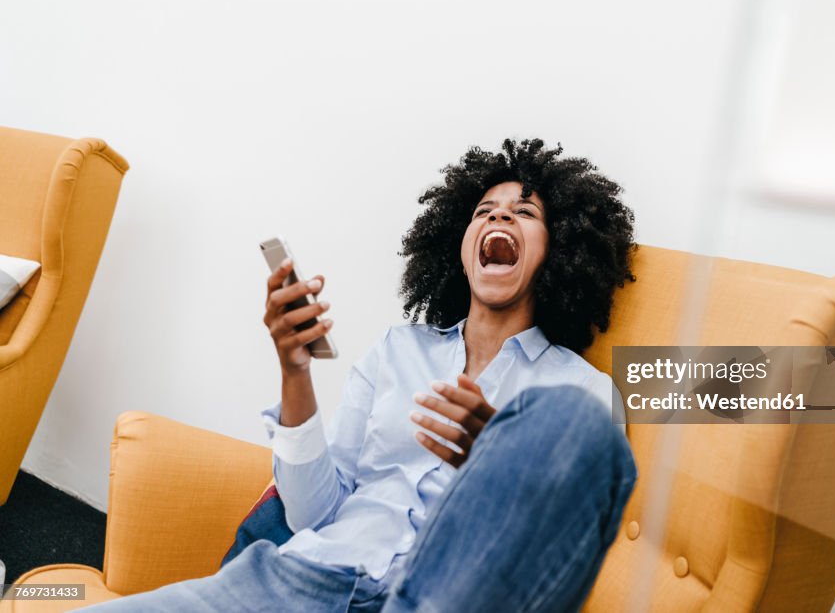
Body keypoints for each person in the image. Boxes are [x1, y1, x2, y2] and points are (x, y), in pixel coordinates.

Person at [84, 138, 638, 612]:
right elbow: (312, 514)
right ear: (461, 249)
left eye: (524, 212)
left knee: (570, 424)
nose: (498, 217)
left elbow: (560, 551)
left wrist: (499, 460)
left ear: (558, 253)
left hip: (440, 597)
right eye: (483, 211)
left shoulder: (582, 395)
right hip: (304, 581)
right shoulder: (397, 350)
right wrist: (293, 371)